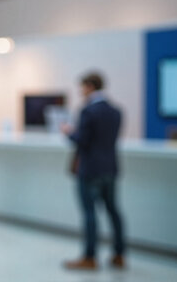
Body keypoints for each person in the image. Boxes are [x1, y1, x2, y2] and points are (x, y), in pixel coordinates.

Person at [61, 72, 126, 270]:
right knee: (113, 211)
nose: (81, 91)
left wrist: (69, 133)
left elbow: (83, 140)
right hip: (110, 167)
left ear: (89, 86)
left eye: (82, 87)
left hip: (89, 169)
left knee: (90, 213)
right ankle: (119, 254)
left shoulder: (88, 111)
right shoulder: (116, 111)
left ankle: (90, 257)